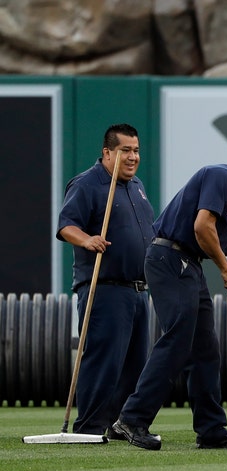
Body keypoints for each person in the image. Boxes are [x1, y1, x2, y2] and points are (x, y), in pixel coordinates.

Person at [112, 147, 227, 450]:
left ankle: (211, 430)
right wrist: (223, 268)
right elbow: (202, 225)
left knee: (206, 348)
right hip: (167, 256)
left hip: (189, 265)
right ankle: (132, 419)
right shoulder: (221, 177)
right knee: (179, 338)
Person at [56, 124, 154, 439]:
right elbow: (66, 225)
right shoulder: (88, 183)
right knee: (104, 361)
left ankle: (118, 425)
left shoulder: (136, 185)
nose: (133, 156)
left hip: (139, 289)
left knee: (135, 365)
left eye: (136, 150)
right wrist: (87, 240)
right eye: (126, 150)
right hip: (105, 287)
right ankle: (89, 426)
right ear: (107, 153)